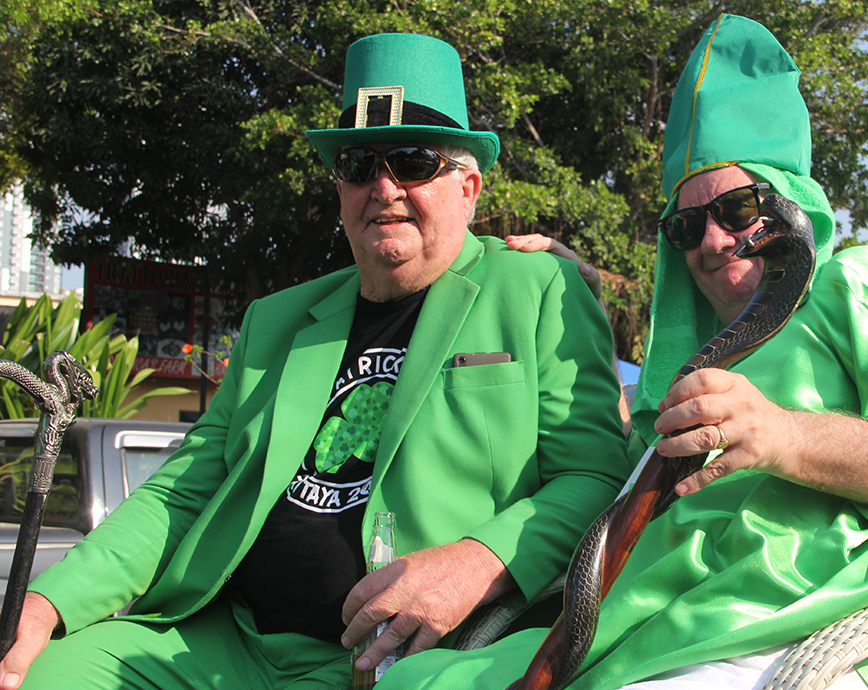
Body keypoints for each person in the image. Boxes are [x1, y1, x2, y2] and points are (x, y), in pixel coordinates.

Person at [374, 15, 868, 690]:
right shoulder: (695, 365)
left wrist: (784, 435)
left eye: (739, 209)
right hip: (637, 625)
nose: (714, 240)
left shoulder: (859, 285)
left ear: (789, 203)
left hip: (793, 617)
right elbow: (614, 491)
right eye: (687, 224)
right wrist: (567, 305)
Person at [0, 33, 630, 690]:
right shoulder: (276, 320)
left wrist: (477, 562)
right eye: (358, 165)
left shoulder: (539, 291)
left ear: (468, 187)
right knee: (39, 675)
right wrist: (48, 601)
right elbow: (183, 490)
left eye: (413, 162)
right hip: (226, 641)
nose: (383, 187)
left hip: (403, 660)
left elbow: (593, 475)